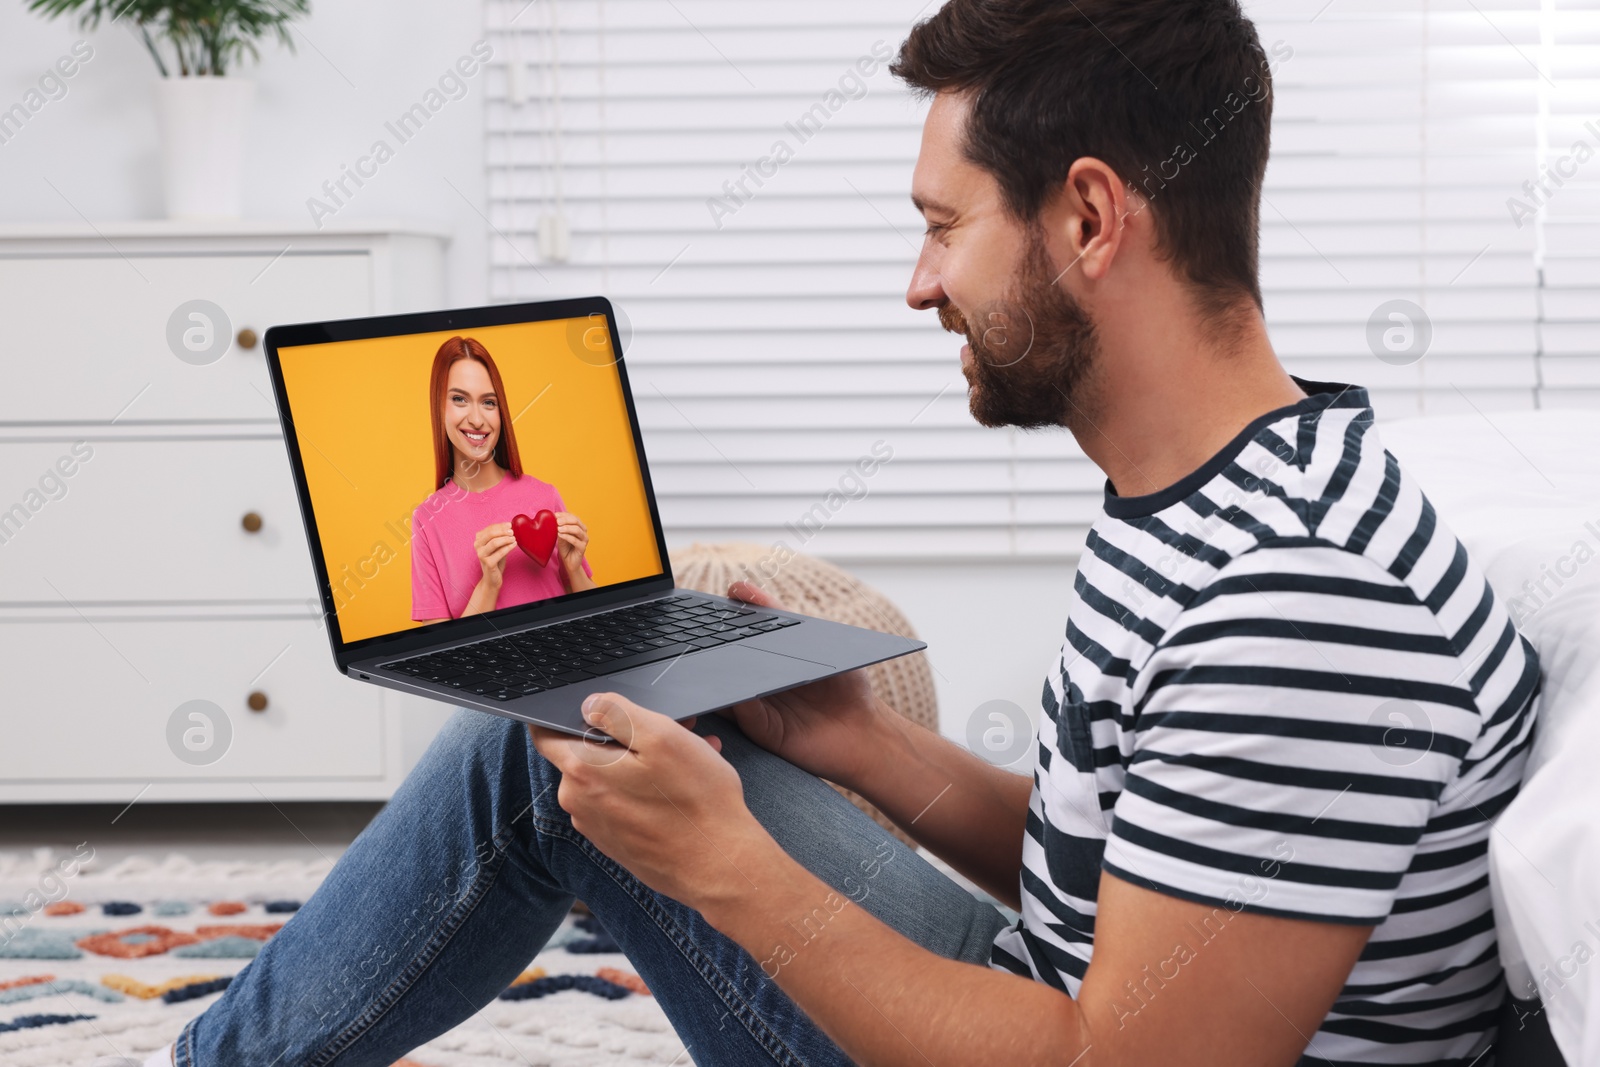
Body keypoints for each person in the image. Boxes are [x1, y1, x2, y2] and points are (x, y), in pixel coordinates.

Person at [132, 1, 1539, 1064]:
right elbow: (1125, 878)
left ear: (1092, 216)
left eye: (944, 227)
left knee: (547, 753)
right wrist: (866, 743)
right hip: (1053, 985)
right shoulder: (1225, 487)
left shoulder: (1299, 600)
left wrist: (726, 866)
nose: (918, 284)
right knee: (576, 724)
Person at [410, 335, 595, 625]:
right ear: (439, 407)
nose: (477, 419)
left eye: (488, 402)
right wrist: (489, 586)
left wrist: (575, 571)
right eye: (459, 399)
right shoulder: (427, 520)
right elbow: (440, 654)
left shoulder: (545, 496)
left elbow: (596, 621)